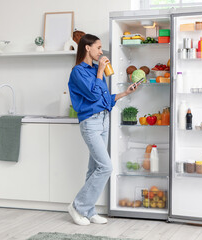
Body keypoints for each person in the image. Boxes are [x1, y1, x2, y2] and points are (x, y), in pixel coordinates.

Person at [67, 34, 140, 226]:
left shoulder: (93, 70)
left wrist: (125, 93)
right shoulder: (78, 72)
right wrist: (100, 70)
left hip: (104, 119)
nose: (101, 52)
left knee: (94, 168)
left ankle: (89, 211)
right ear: (87, 48)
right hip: (90, 122)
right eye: (98, 48)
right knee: (106, 167)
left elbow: (104, 99)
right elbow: (91, 94)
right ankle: (78, 206)